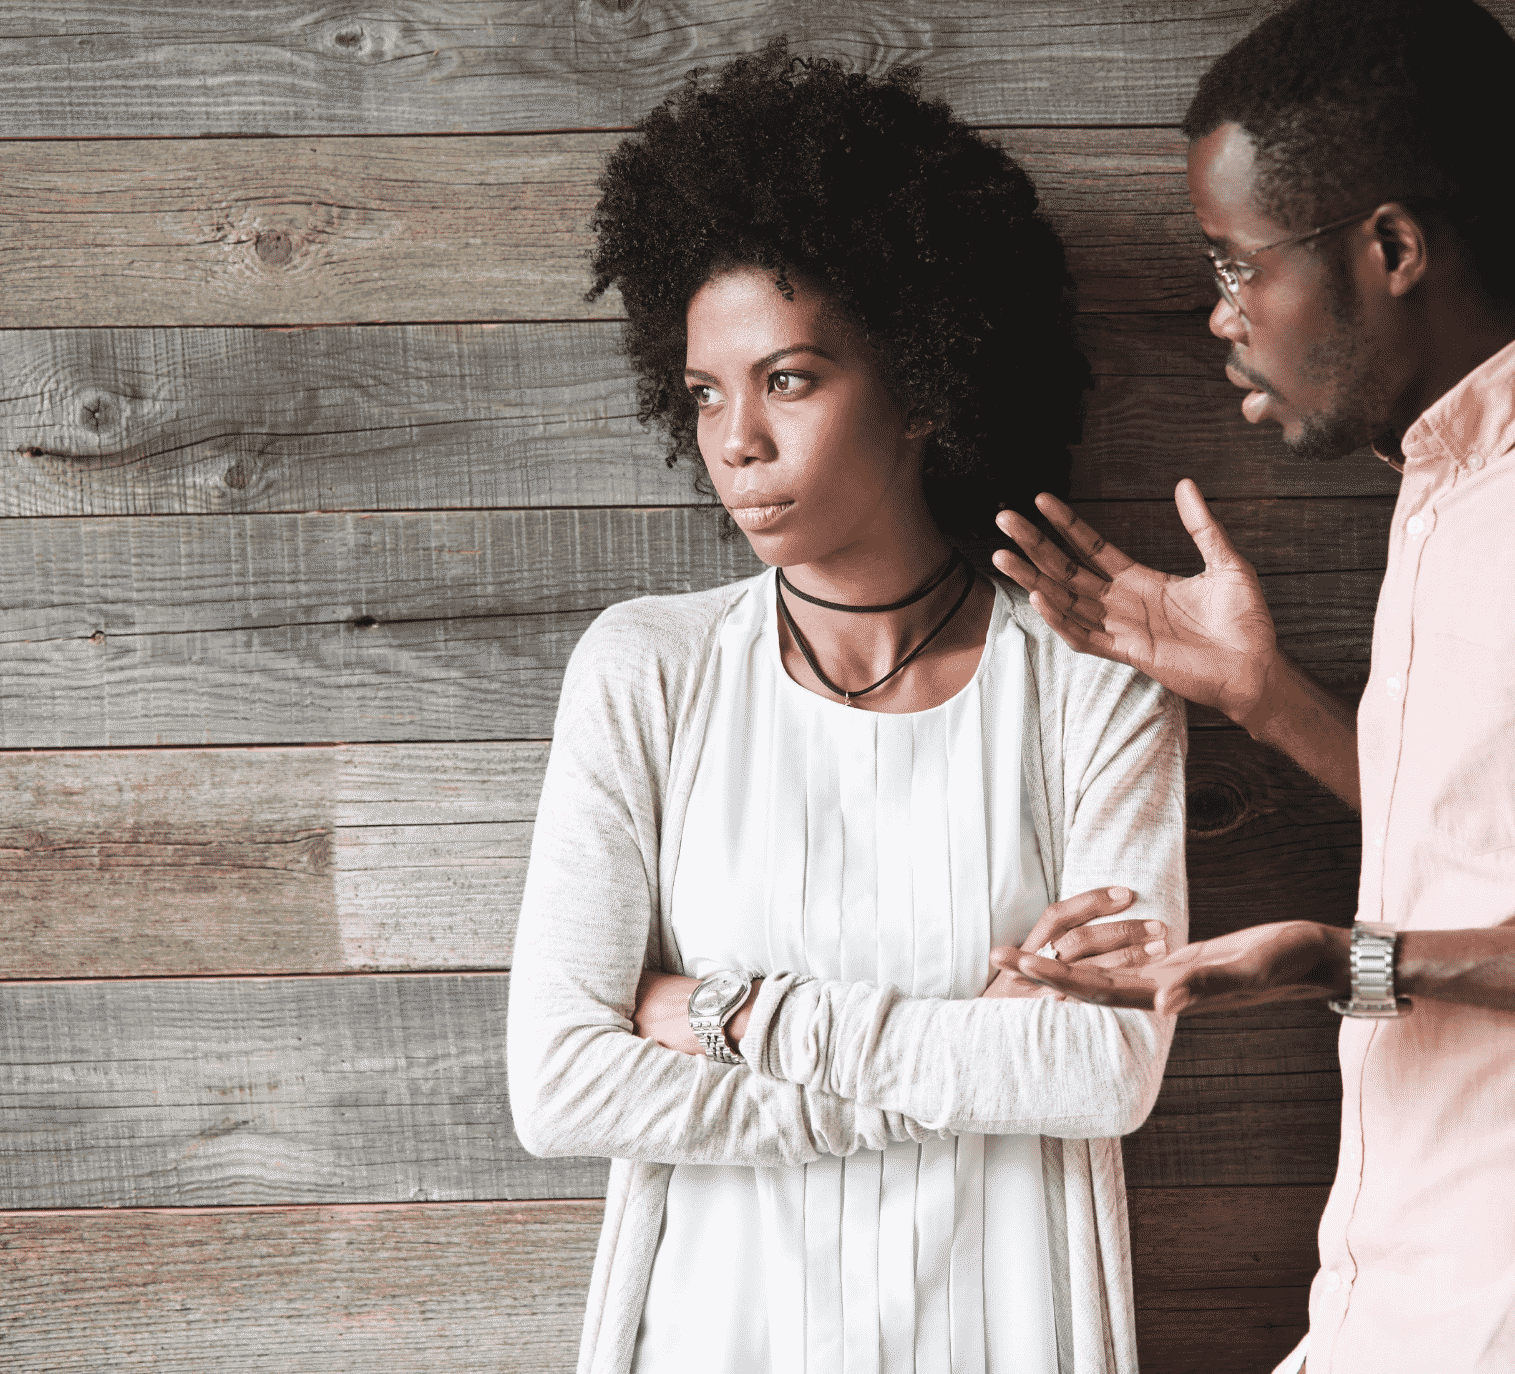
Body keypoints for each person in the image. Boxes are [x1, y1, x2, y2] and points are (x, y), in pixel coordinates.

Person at [988, 1, 1515, 1370]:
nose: (1221, 316)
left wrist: (1364, 961)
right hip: (1409, 1296)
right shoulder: (1460, 492)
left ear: (1390, 247)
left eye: (1238, 264)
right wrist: (1265, 695)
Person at [505, 48, 1188, 1374]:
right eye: (707, 390)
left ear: (928, 381)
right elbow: (561, 1082)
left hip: (1005, 1321)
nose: (735, 439)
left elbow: (1105, 1072)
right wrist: (945, 1073)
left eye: (792, 378)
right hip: (711, 1329)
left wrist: (732, 1017)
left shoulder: (1093, 681)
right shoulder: (646, 670)